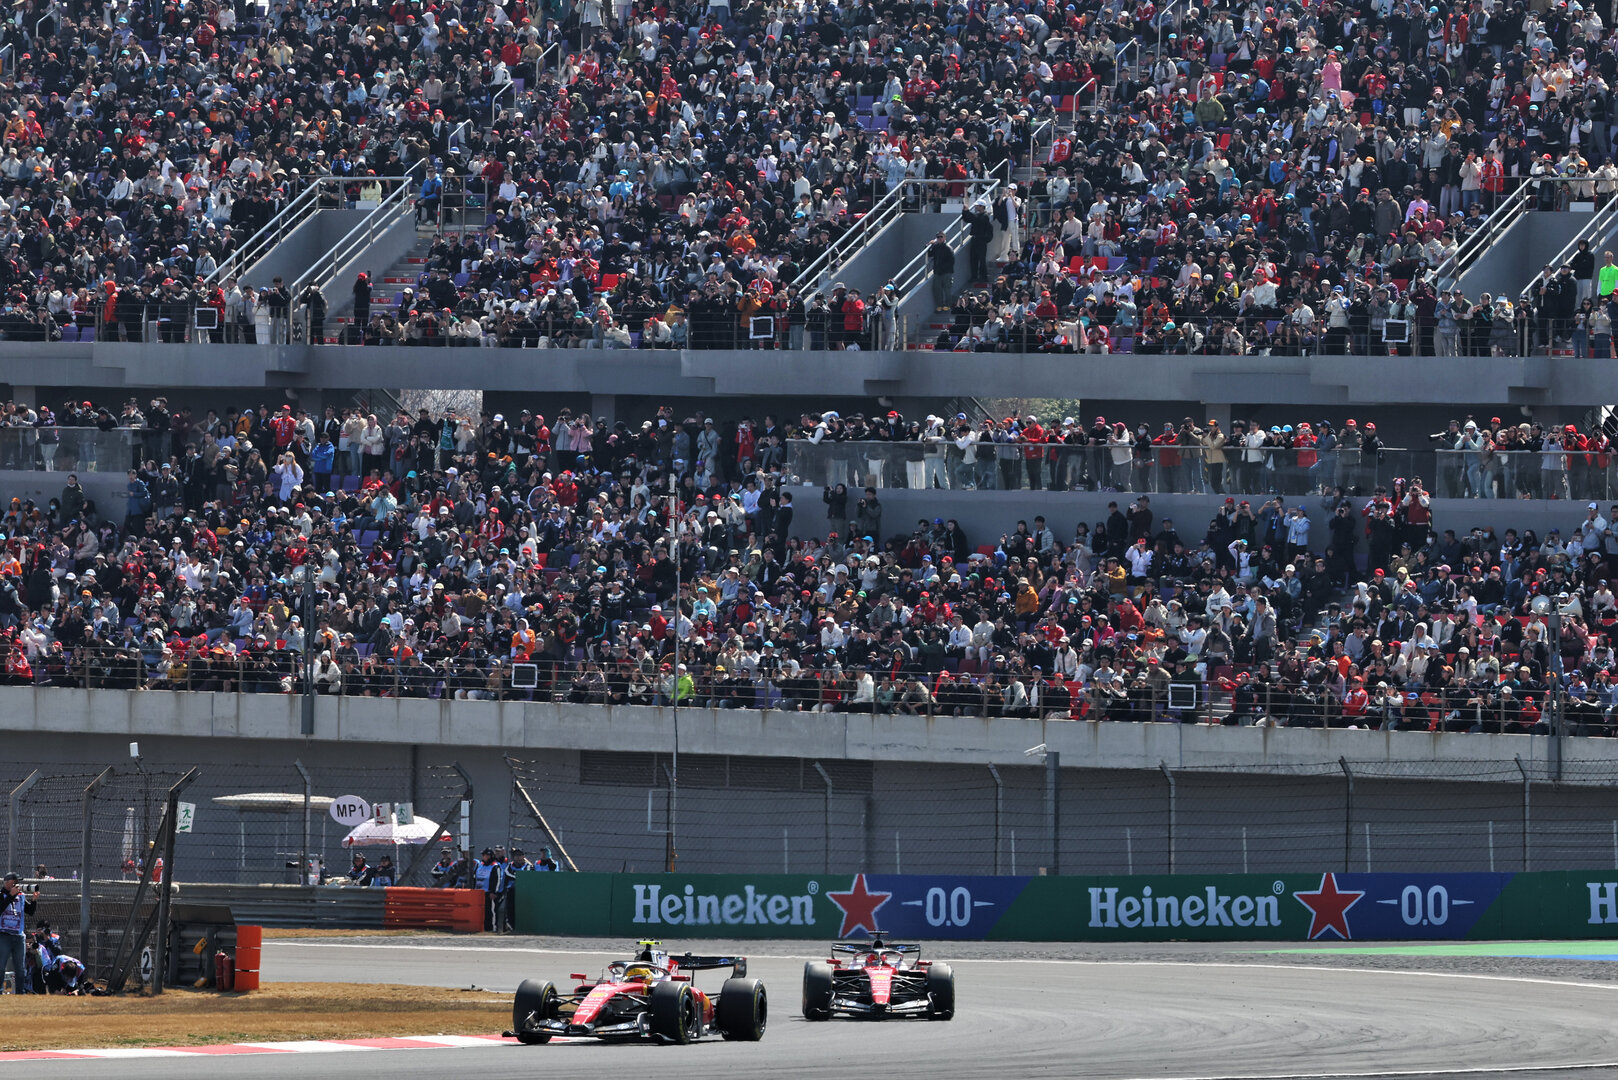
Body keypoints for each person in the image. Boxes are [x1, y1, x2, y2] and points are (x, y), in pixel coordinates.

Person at [1, 872, 35, 993]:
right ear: (7, 882)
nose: (17, 884)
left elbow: (30, 911)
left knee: (20, 968)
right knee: (1, 965)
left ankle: (20, 992)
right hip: (3, 935)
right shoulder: (1, 895)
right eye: (15, 881)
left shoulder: (20, 896)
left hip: (19, 936)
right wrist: (10, 895)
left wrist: (34, 900)